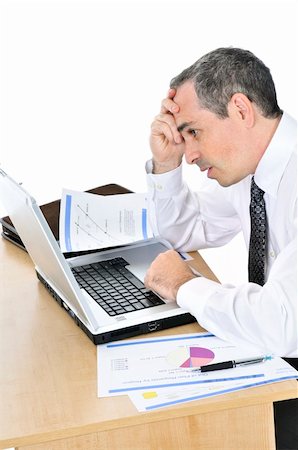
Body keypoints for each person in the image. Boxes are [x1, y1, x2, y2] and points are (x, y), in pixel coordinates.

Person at [144, 47, 297, 449]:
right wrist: (167, 164)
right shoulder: (254, 170)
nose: (190, 152)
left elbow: (283, 325)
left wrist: (186, 287)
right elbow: (185, 232)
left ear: (242, 110)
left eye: (193, 131)